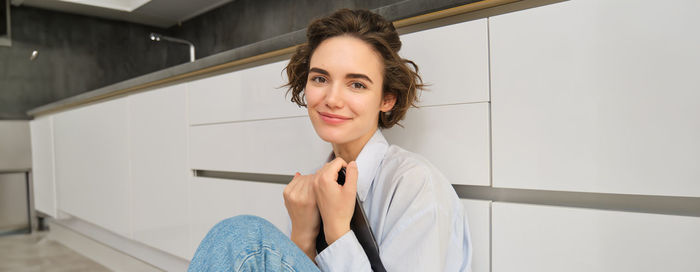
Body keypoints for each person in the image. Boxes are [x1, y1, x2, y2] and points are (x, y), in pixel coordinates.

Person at [188, 8, 471, 272]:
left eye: (357, 84)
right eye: (320, 79)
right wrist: (302, 235)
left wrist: (337, 231)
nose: (332, 99)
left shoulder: (417, 188)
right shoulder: (313, 186)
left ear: (387, 98)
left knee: (245, 236)